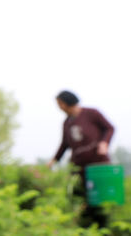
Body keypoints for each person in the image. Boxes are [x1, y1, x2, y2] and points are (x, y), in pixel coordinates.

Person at [47, 90, 115, 227]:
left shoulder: (92, 113)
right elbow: (64, 144)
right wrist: (54, 160)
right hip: (79, 167)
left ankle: (104, 230)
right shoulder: (67, 123)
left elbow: (109, 128)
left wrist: (104, 142)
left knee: (100, 198)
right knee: (79, 196)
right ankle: (85, 228)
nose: (59, 107)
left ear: (67, 102)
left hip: (97, 164)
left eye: (60, 103)